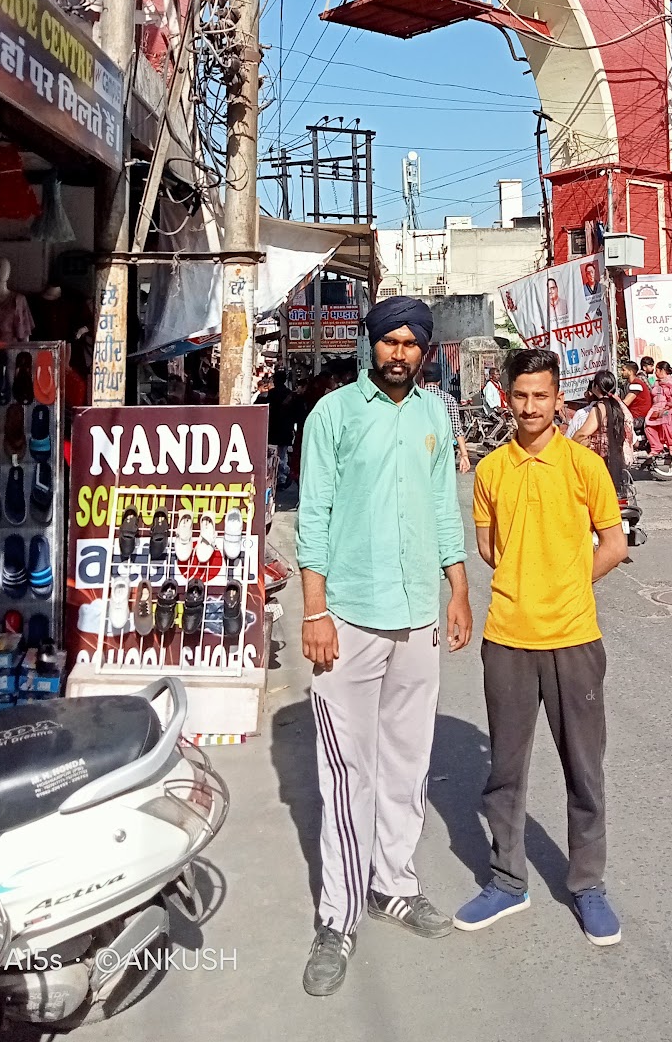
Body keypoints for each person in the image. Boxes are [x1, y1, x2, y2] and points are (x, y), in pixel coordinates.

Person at [296, 296, 473, 996]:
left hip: (417, 615)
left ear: (425, 351)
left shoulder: (434, 415)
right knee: (348, 773)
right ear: (371, 345)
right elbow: (313, 516)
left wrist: (458, 590)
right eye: (389, 341)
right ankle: (337, 919)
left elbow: (442, 508)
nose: (399, 354)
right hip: (348, 615)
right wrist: (315, 610)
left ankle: (393, 885)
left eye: (411, 344)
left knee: (407, 761)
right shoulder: (333, 415)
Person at [455, 347, 628, 947]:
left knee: (583, 769)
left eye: (541, 396)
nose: (530, 407)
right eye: (521, 396)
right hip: (507, 638)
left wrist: (567, 585)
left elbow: (614, 544)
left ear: (558, 400)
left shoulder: (584, 466)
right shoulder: (491, 470)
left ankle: (588, 885)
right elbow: (489, 547)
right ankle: (508, 881)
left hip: (575, 639)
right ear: (508, 398)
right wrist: (527, 582)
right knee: (505, 771)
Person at [569, 370, 635, 489]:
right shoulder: (621, 406)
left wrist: (569, 448)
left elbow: (581, 434)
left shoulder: (600, 407)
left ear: (595, 387)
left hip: (603, 463)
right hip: (623, 462)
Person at [422, 364, 471, 474]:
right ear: (439, 380)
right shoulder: (448, 399)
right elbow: (457, 429)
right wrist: (464, 454)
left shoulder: (415, 398)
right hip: (444, 449)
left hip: (420, 449)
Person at [257, 367, 299, 487]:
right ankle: (282, 476)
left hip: (274, 427)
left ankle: (285, 473)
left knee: (274, 454)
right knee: (282, 454)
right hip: (285, 428)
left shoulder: (273, 393)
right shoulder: (289, 394)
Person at [645, 360, 672, 456]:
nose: (655, 373)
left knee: (665, 419)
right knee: (648, 425)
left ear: (662, 370)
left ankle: (671, 445)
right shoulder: (656, 383)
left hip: (670, 410)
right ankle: (656, 447)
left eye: (657, 370)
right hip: (655, 409)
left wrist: (665, 408)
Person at [620, 359, 652, 425]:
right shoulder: (630, 384)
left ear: (630, 372)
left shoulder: (636, 384)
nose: (621, 372)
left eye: (623, 370)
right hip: (636, 416)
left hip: (638, 418)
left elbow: (626, 402)